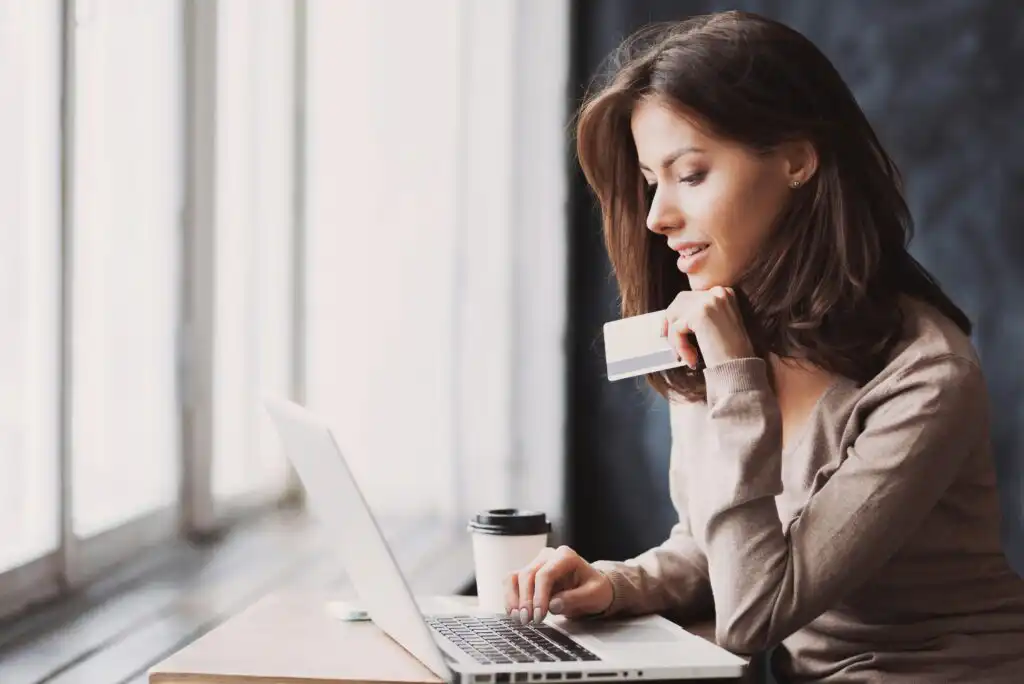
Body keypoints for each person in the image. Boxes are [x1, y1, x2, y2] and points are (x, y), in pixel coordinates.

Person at [503, 10, 1024, 682]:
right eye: (651, 181)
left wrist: (735, 378)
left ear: (797, 161)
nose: (657, 216)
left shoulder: (925, 377)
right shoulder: (722, 328)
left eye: (691, 174)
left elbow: (754, 613)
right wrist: (615, 584)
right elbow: (721, 547)